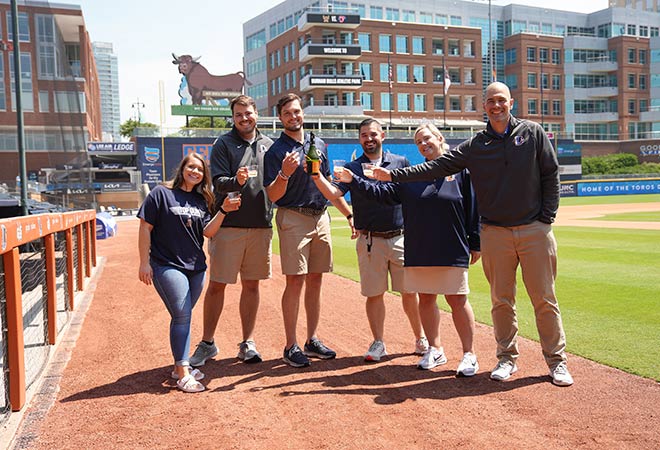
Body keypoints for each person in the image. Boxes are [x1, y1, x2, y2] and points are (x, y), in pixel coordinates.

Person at [372, 82, 574, 387]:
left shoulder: (532, 133)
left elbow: (551, 174)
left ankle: (556, 362)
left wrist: (546, 219)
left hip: (534, 229)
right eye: (490, 101)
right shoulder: (476, 145)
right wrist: (394, 175)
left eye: (501, 100)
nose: (496, 106)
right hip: (494, 232)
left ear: (511, 102)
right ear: (484, 106)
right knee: (501, 301)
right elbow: (436, 167)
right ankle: (507, 359)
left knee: (544, 299)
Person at [337, 123, 481, 375]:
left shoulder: (461, 171)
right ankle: (435, 349)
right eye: (418, 142)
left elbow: (473, 207)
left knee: (457, 299)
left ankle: (469, 354)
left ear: (439, 138)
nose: (423, 144)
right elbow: (380, 194)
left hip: (451, 244)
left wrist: (476, 242)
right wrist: (354, 181)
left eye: (427, 139)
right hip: (420, 246)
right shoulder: (412, 174)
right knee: (425, 299)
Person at [310, 118, 427, 362]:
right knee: (374, 294)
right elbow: (333, 193)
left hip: (399, 238)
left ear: (382, 136)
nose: (368, 139)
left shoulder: (399, 162)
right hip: (370, 240)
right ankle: (378, 342)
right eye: (364, 135)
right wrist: (316, 176)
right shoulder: (352, 167)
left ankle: (420, 337)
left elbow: (404, 197)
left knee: (410, 292)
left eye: (373, 134)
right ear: (359, 139)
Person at [263, 93, 355, 368]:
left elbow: (328, 185)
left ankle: (311, 339)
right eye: (288, 113)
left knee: (316, 280)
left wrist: (349, 214)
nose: (294, 117)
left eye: (297, 111)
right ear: (280, 118)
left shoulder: (319, 144)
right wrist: (284, 173)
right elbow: (273, 196)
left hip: (321, 216)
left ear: (303, 113)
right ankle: (290, 345)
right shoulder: (276, 151)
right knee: (295, 281)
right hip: (293, 217)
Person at [138, 153, 239, 393]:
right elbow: (145, 227)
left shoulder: (201, 200)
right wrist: (144, 263)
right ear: (182, 168)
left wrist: (223, 211)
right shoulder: (161, 194)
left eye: (200, 169)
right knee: (182, 315)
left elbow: (208, 232)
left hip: (196, 268)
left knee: (182, 316)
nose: (195, 172)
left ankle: (177, 367)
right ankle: (183, 372)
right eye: (191, 167)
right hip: (166, 264)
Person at [189, 95, 273, 367]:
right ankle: (207, 342)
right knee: (217, 285)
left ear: (256, 113)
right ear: (233, 117)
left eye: (247, 113)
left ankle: (247, 342)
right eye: (238, 114)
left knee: (252, 286)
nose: (244, 118)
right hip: (229, 226)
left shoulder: (269, 145)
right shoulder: (224, 143)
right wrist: (234, 180)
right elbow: (217, 183)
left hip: (260, 224)